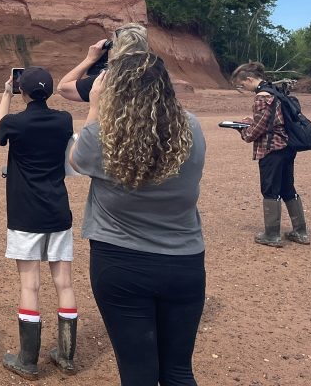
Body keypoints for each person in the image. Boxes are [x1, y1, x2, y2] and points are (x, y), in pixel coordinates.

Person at [69, 51, 206, 386]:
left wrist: (94, 107)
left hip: (120, 262)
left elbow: (77, 159)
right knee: (178, 371)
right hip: (184, 260)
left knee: (138, 373)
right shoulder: (190, 127)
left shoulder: (105, 135)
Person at [0, 66, 78, 379]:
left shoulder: (15, 124)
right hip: (57, 211)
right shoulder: (64, 120)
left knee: (30, 285)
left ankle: (28, 360)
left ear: (23, 91)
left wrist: (6, 93)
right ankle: (66, 356)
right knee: (64, 283)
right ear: (50, 91)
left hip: (25, 213)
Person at [229, 61, 310, 248]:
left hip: (272, 149)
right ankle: (301, 232)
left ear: (250, 79)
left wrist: (242, 130)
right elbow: (273, 120)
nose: (244, 88)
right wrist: (253, 121)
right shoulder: (275, 92)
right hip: (287, 147)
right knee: (287, 187)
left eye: (242, 84)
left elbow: (256, 131)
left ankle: (272, 235)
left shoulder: (262, 97)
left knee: (270, 189)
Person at [58, 23, 151, 124]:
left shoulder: (108, 79)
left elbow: (63, 88)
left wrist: (90, 59)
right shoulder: (157, 75)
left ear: (117, 48)